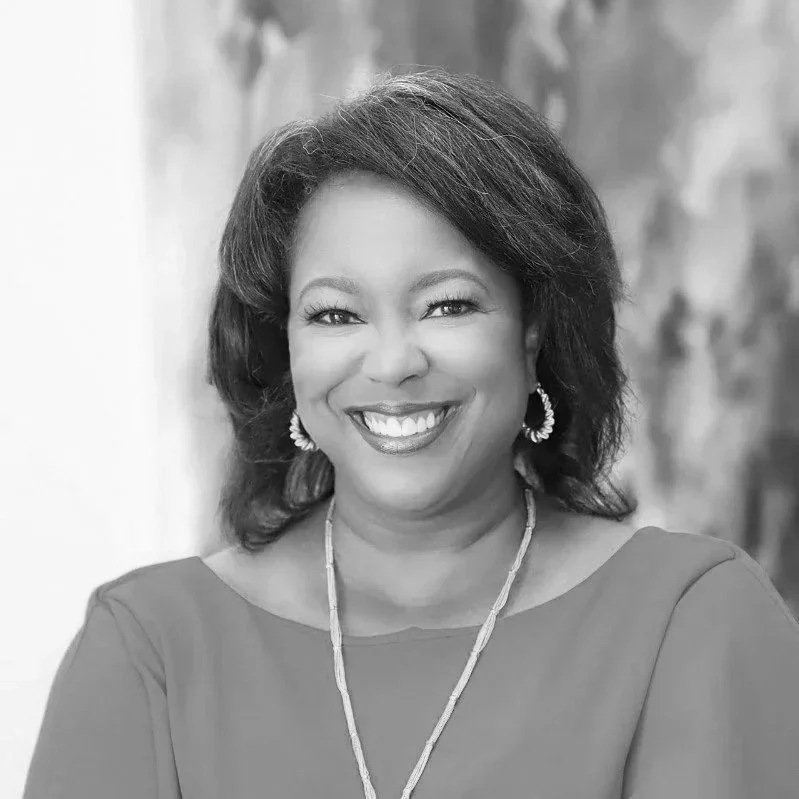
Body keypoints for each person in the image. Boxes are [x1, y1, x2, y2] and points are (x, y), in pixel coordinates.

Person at [23, 70, 799, 799]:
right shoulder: (148, 651)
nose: (392, 362)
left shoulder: (689, 617)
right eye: (336, 314)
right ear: (285, 348)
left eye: (448, 305)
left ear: (531, 330)